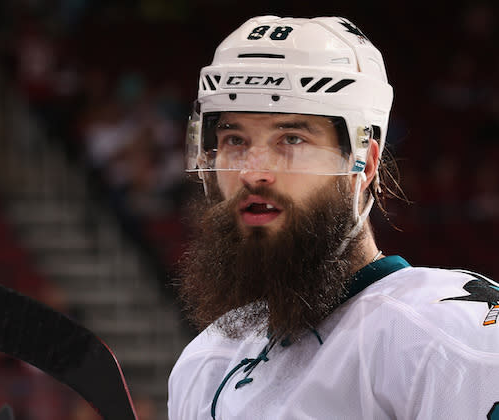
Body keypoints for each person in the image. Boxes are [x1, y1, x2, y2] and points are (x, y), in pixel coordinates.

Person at [168, 16, 499, 419]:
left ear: (365, 164)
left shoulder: (448, 336)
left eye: (292, 139)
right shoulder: (204, 361)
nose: (252, 171)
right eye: (234, 140)